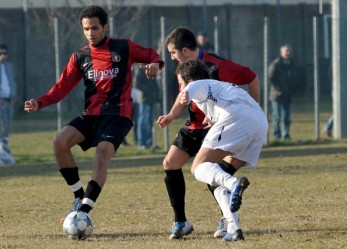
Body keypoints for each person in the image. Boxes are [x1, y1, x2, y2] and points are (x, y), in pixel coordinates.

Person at [23, 5, 164, 223]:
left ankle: (83, 212)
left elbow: (151, 55)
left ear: (105, 27)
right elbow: (61, 87)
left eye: (95, 28)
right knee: (59, 141)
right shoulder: (80, 56)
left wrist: (155, 64)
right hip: (91, 115)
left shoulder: (123, 47)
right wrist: (39, 102)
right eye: (86, 29)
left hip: (118, 115)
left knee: (102, 152)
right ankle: (79, 197)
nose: (91, 32)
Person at [157, 26, 260, 239]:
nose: (173, 58)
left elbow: (251, 77)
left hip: (221, 126)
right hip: (195, 125)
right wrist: (171, 115)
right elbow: (185, 96)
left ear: (185, 51)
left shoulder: (219, 66)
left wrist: (253, 106)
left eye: (173, 53)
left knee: (211, 173)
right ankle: (181, 221)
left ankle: (229, 219)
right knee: (170, 163)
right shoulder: (183, 71)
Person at [176, 60, 267, 241]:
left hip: (238, 117)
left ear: (189, 79)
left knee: (198, 167)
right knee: (217, 177)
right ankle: (234, 229)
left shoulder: (196, 84)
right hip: (260, 122)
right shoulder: (220, 87)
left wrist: (183, 96)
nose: (180, 86)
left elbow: (191, 89)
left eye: (180, 82)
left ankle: (233, 184)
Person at [268, 44, 296, 140]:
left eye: (289, 51)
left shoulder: (292, 64)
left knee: (286, 117)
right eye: (286, 51)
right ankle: (277, 135)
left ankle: (286, 134)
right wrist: (278, 89)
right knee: (277, 117)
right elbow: (271, 78)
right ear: (281, 53)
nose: (288, 53)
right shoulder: (276, 64)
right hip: (277, 95)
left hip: (288, 95)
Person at [134, 65, 160, 150]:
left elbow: (154, 83)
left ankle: (149, 142)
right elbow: (137, 83)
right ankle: (141, 143)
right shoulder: (141, 68)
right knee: (143, 121)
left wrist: (157, 95)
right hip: (144, 99)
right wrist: (148, 90)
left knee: (150, 121)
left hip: (151, 99)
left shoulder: (151, 67)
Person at [0, 44, 16, 165]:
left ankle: (4, 151)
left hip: (9, 100)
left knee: (7, 126)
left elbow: (12, 82)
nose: (3, 56)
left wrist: (14, 96)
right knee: (1, 126)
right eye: (1, 53)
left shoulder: (9, 66)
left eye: (5, 53)